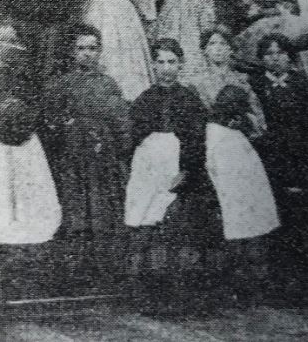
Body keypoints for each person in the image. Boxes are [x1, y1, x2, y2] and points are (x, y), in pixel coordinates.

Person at [125, 38, 221, 314]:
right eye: (160, 62)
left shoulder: (189, 98)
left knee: (180, 226)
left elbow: (197, 139)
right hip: (148, 168)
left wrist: (187, 171)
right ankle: (150, 297)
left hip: (179, 167)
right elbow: (134, 138)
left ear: (181, 64)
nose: (166, 68)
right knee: (148, 223)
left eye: (172, 62)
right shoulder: (145, 99)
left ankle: (184, 296)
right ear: (153, 65)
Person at [40, 26, 132, 290]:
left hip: (102, 160)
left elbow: (121, 123)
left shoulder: (108, 84)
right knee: (75, 211)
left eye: (92, 48)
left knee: (103, 211)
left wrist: (119, 151)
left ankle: (105, 270)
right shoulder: (61, 84)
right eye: (81, 48)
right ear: (72, 51)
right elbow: (51, 124)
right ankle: (73, 271)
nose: (87, 54)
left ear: (100, 51)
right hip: (72, 160)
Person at [249, 34, 308, 298]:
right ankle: (277, 279)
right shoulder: (255, 86)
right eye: (269, 53)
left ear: (289, 56)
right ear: (262, 59)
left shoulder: (302, 84)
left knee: (305, 214)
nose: (275, 58)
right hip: (270, 159)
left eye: (280, 52)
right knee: (276, 214)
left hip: (300, 158)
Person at [0, 21, 62, 247]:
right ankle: (1, 226)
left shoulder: (24, 74)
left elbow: (37, 105)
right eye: (4, 40)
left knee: (26, 184)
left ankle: (29, 224)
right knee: (0, 187)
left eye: (14, 41)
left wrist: (23, 117)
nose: (9, 46)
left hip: (24, 142)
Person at [204, 85, 280, 296]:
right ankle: (240, 285)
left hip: (249, 193)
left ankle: (256, 283)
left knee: (254, 237)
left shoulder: (235, 132)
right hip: (232, 195)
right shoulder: (215, 134)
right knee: (238, 239)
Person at [187, 26, 265, 136]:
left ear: (230, 49)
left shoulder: (242, 80)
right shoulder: (196, 82)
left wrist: (244, 121)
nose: (218, 48)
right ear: (205, 50)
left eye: (222, 43)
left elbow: (257, 116)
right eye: (212, 43)